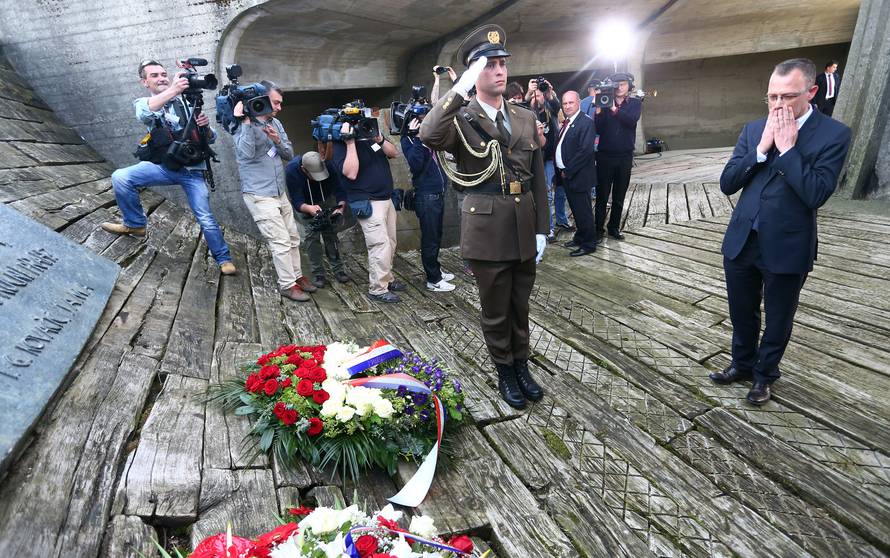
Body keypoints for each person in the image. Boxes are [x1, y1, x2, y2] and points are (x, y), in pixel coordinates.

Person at [420, 24, 549, 410]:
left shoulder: (524, 117)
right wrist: (458, 90)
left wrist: (542, 228)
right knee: (495, 310)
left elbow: (538, 177)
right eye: (488, 65)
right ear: (474, 73)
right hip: (486, 227)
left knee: (520, 306)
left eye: (502, 63)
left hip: (524, 224)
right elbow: (428, 134)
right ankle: (504, 370)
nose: (499, 71)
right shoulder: (460, 118)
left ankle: (522, 365)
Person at [711, 58, 851, 405]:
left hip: (788, 244)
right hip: (743, 239)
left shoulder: (834, 134)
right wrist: (761, 149)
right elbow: (727, 183)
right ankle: (742, 364)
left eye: (787, 96)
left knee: (778, 318)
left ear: (811, 92)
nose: (777, 104)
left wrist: (787, 149)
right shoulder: (754, 129)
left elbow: (816, 193)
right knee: (741, 311)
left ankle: (764, 376)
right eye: (772, 96)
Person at [102, 59, 235, 274]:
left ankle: (223, 259)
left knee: (205, 216)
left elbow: (211, 139)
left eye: (163, 74)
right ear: (145, 82)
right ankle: (135, 224)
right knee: (121, 177)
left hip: (192, 171)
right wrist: (174, 89)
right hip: (163, 167)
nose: (161, 78)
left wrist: (206, 128)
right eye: (154, 75)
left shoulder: (187, 104)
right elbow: (145, 113)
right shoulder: (145, 102)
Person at [233, 81, 317, 301]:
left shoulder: (275, 123)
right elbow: (246, 153)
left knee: (293, 236)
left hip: (279, 191)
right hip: (259, 194)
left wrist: (277, 140)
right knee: (280, 241)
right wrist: (246, 123)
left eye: (280, 103)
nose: (279, 107)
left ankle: (296, 276)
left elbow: (289, 154)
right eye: (276, 102)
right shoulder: (239, 124)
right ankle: (287, 285)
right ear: (262, 99)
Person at [331, 120, 402, 303]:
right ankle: (378, 289)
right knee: (379, 245)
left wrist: (379, 139)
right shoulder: (340, 145)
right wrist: (350, 142)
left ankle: (387, 279)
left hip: (386, 198)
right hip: (368, 202)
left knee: (390, 242)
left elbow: (394, 153)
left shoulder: (369, 136)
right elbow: (351, 173)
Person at [401, 119, 456, 292]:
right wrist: (417, 138)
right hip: (427, 197)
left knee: (436, 236)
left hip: (437, 195)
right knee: (430, 239)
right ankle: (433, 280)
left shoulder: (428, 139)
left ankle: (436, 270)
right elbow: (416, 164)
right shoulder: (408, 140)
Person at [285, 151, 350, 288]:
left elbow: (339, 189)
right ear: (303, 169)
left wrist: (340, 208)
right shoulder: (292, 171)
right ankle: (318, 273)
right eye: (314, 175)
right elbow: (296, 200)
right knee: (311, 237)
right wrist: (308, 208)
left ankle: (338, 269)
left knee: (331, 234)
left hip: (327, 198)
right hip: (306, 204)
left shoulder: (328, 164)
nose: (318, 178)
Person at [593, 72, 642, 241]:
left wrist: (614, 109)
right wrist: (599, 110)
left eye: (623, 84)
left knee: (619, 195)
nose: (619, 87)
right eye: (616, 84)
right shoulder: (605, 101)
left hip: (624, 157)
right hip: (605, 156)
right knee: (602, 195)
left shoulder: (635, 103)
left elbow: (631, 120)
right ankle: (598, 229)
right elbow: (598, 129)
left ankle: (613, 227)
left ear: (629, 86)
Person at [525, 78, 571, 242]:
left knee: (558, 191)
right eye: (535, 95)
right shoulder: (526, 113)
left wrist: (549, 92)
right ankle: (547, 228)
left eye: (540, 95)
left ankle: (559, 222)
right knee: (545, 194)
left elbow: (557, 106)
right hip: (537, 158)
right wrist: (529, 92)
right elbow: (521, 105)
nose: (537, 98)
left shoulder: (550, 109)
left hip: (552, 156)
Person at [553, 91, 597, 256]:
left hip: (578, 175)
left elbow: (585, 151)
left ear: (579, 102)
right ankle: (580, 237)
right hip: (567, 176)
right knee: (576, 210)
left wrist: (568, 170)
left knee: (583, 211)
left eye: (571, 102)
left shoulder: (586, 122)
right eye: (565, 103)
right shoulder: (567, 122)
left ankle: (589, 244)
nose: (567, 106)